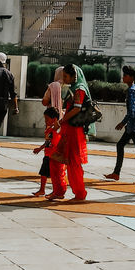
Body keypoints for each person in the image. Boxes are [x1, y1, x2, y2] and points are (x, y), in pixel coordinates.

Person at [105, 65, 135, 182]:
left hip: (134, 125)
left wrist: (122, 123)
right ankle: (116, 173)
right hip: (134, 124)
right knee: (121, 145)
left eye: (125, 75)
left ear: (131, 77)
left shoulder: (132, 91)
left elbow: (133, 111)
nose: (123, 77)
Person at [55, 62, 90, 201]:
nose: (64, 79)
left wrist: (62, 120)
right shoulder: (74, 88)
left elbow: (76, 108)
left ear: (73, 76)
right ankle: (75, 191)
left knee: (74, 162)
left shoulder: (79, 89)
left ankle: (80, 193)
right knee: (70, 161)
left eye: (65, 76)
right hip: (70, 129)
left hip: (75, 130)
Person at [32, 106, 66, 197]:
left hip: (53, 156)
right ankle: (43, 190)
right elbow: (47, 142)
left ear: (54, 119)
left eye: (47, 119)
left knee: (55, 176)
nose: (45, 121)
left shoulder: (56, 129)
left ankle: (56, 191)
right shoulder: (49, 129)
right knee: (43, 173)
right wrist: (40, 148)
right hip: (47, 155)